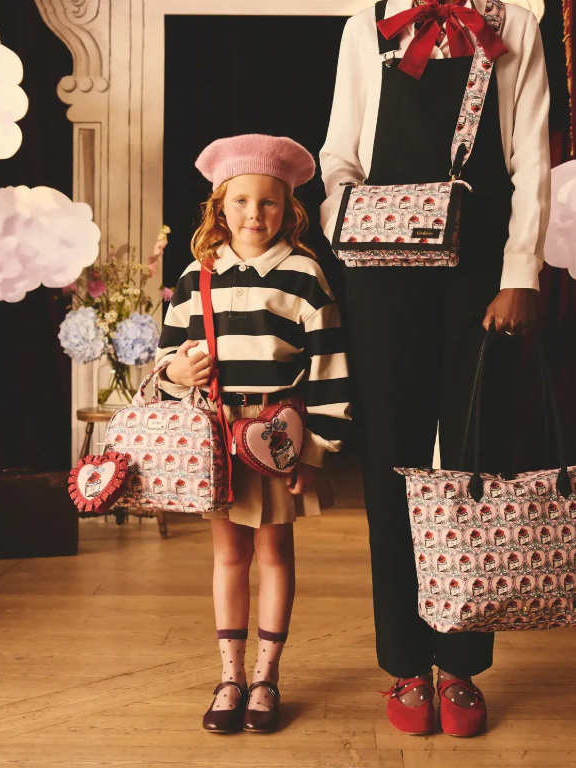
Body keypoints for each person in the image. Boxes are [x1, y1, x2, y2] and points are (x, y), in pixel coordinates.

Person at [320, 0, 551, 738]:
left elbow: (532, 156)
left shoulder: (515, 24)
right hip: (382, 270)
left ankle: (461, 664)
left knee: (476, 458)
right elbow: (339, 156)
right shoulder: (367, 26)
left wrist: (521, 270)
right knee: (392, 460)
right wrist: (352, 224)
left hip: (480, 271)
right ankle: (405, 663)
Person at [154, 134, 351, 734]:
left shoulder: (304, 275)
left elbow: (330, 366)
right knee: (229, 554)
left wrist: (314, 451)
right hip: (216, 437)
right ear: (220, 206)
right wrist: (176, 372)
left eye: (268, 202)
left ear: (288, 208)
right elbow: (166, 356)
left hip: (277, 439)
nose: (254, 214)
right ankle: (230, 677)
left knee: (274, 552)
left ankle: (267, 678)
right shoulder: (195, 276)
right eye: (240, 201)